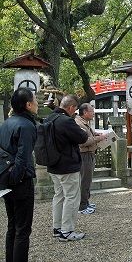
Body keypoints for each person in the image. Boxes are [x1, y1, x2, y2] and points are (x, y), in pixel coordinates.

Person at [0, 87, 38, 261]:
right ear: (28, 104)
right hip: (21, 181)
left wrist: (8, 179)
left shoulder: (6, 123)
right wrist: (16, 179)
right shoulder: (27, 125)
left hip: (6, 179)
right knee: (23, 229)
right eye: (35, 100)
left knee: (12, 226)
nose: (38, 103)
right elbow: (23, 158)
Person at [46, 94, 88, 242]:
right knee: (71, 197)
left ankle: (57, 228)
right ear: (71, 107)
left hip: (53, 165)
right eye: (75, 109)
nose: (75, 112)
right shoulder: (66, 121)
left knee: (58, 196)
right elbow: (82, 137)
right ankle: (67, 231)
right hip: (67, 166)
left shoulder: (50, 118)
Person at [75, 103, 106, 214]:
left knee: (87, 180)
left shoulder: (84, 123)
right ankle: (82, 206)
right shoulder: (79, 124)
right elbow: (83, 141)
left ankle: (86, 201)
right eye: (91, 111)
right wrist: (98, 138)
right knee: (84, 181)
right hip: (84, 155)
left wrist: (97, 134)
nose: (93, 113)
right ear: (85, 112)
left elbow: (88, 135)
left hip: (89, 154)